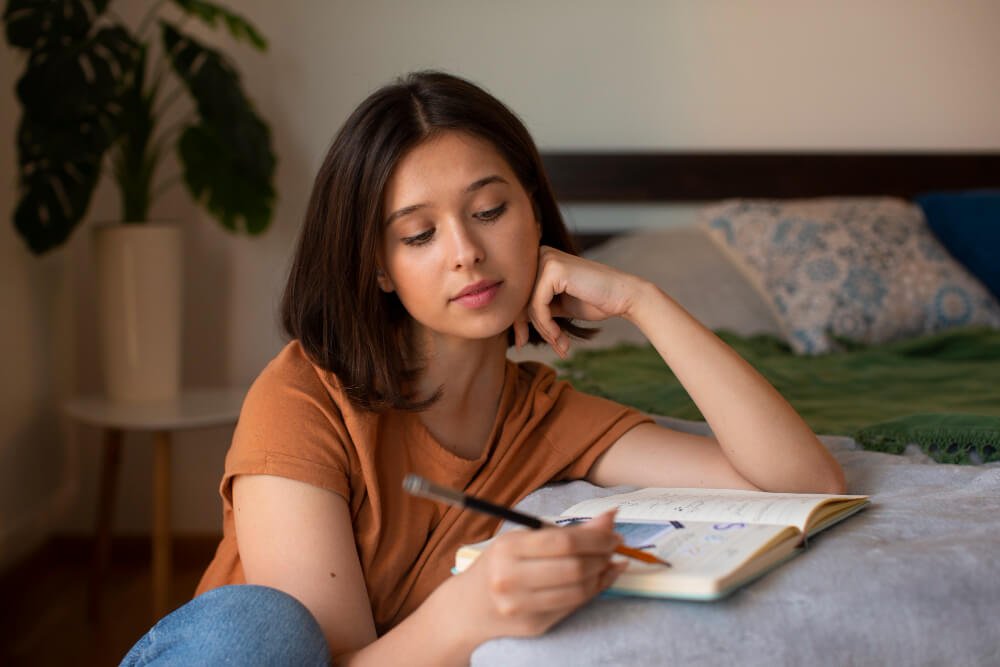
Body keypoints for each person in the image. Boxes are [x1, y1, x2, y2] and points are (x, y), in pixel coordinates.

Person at [122, 70, 845, 666]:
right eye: (419, 232)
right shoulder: (303, 397)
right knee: (263, 627)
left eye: (490, 209)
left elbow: (802, 480)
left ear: (533, 211)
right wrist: (468, 614)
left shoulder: (546, 417)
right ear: (377, 266)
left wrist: (641, 300)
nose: (464, 250)